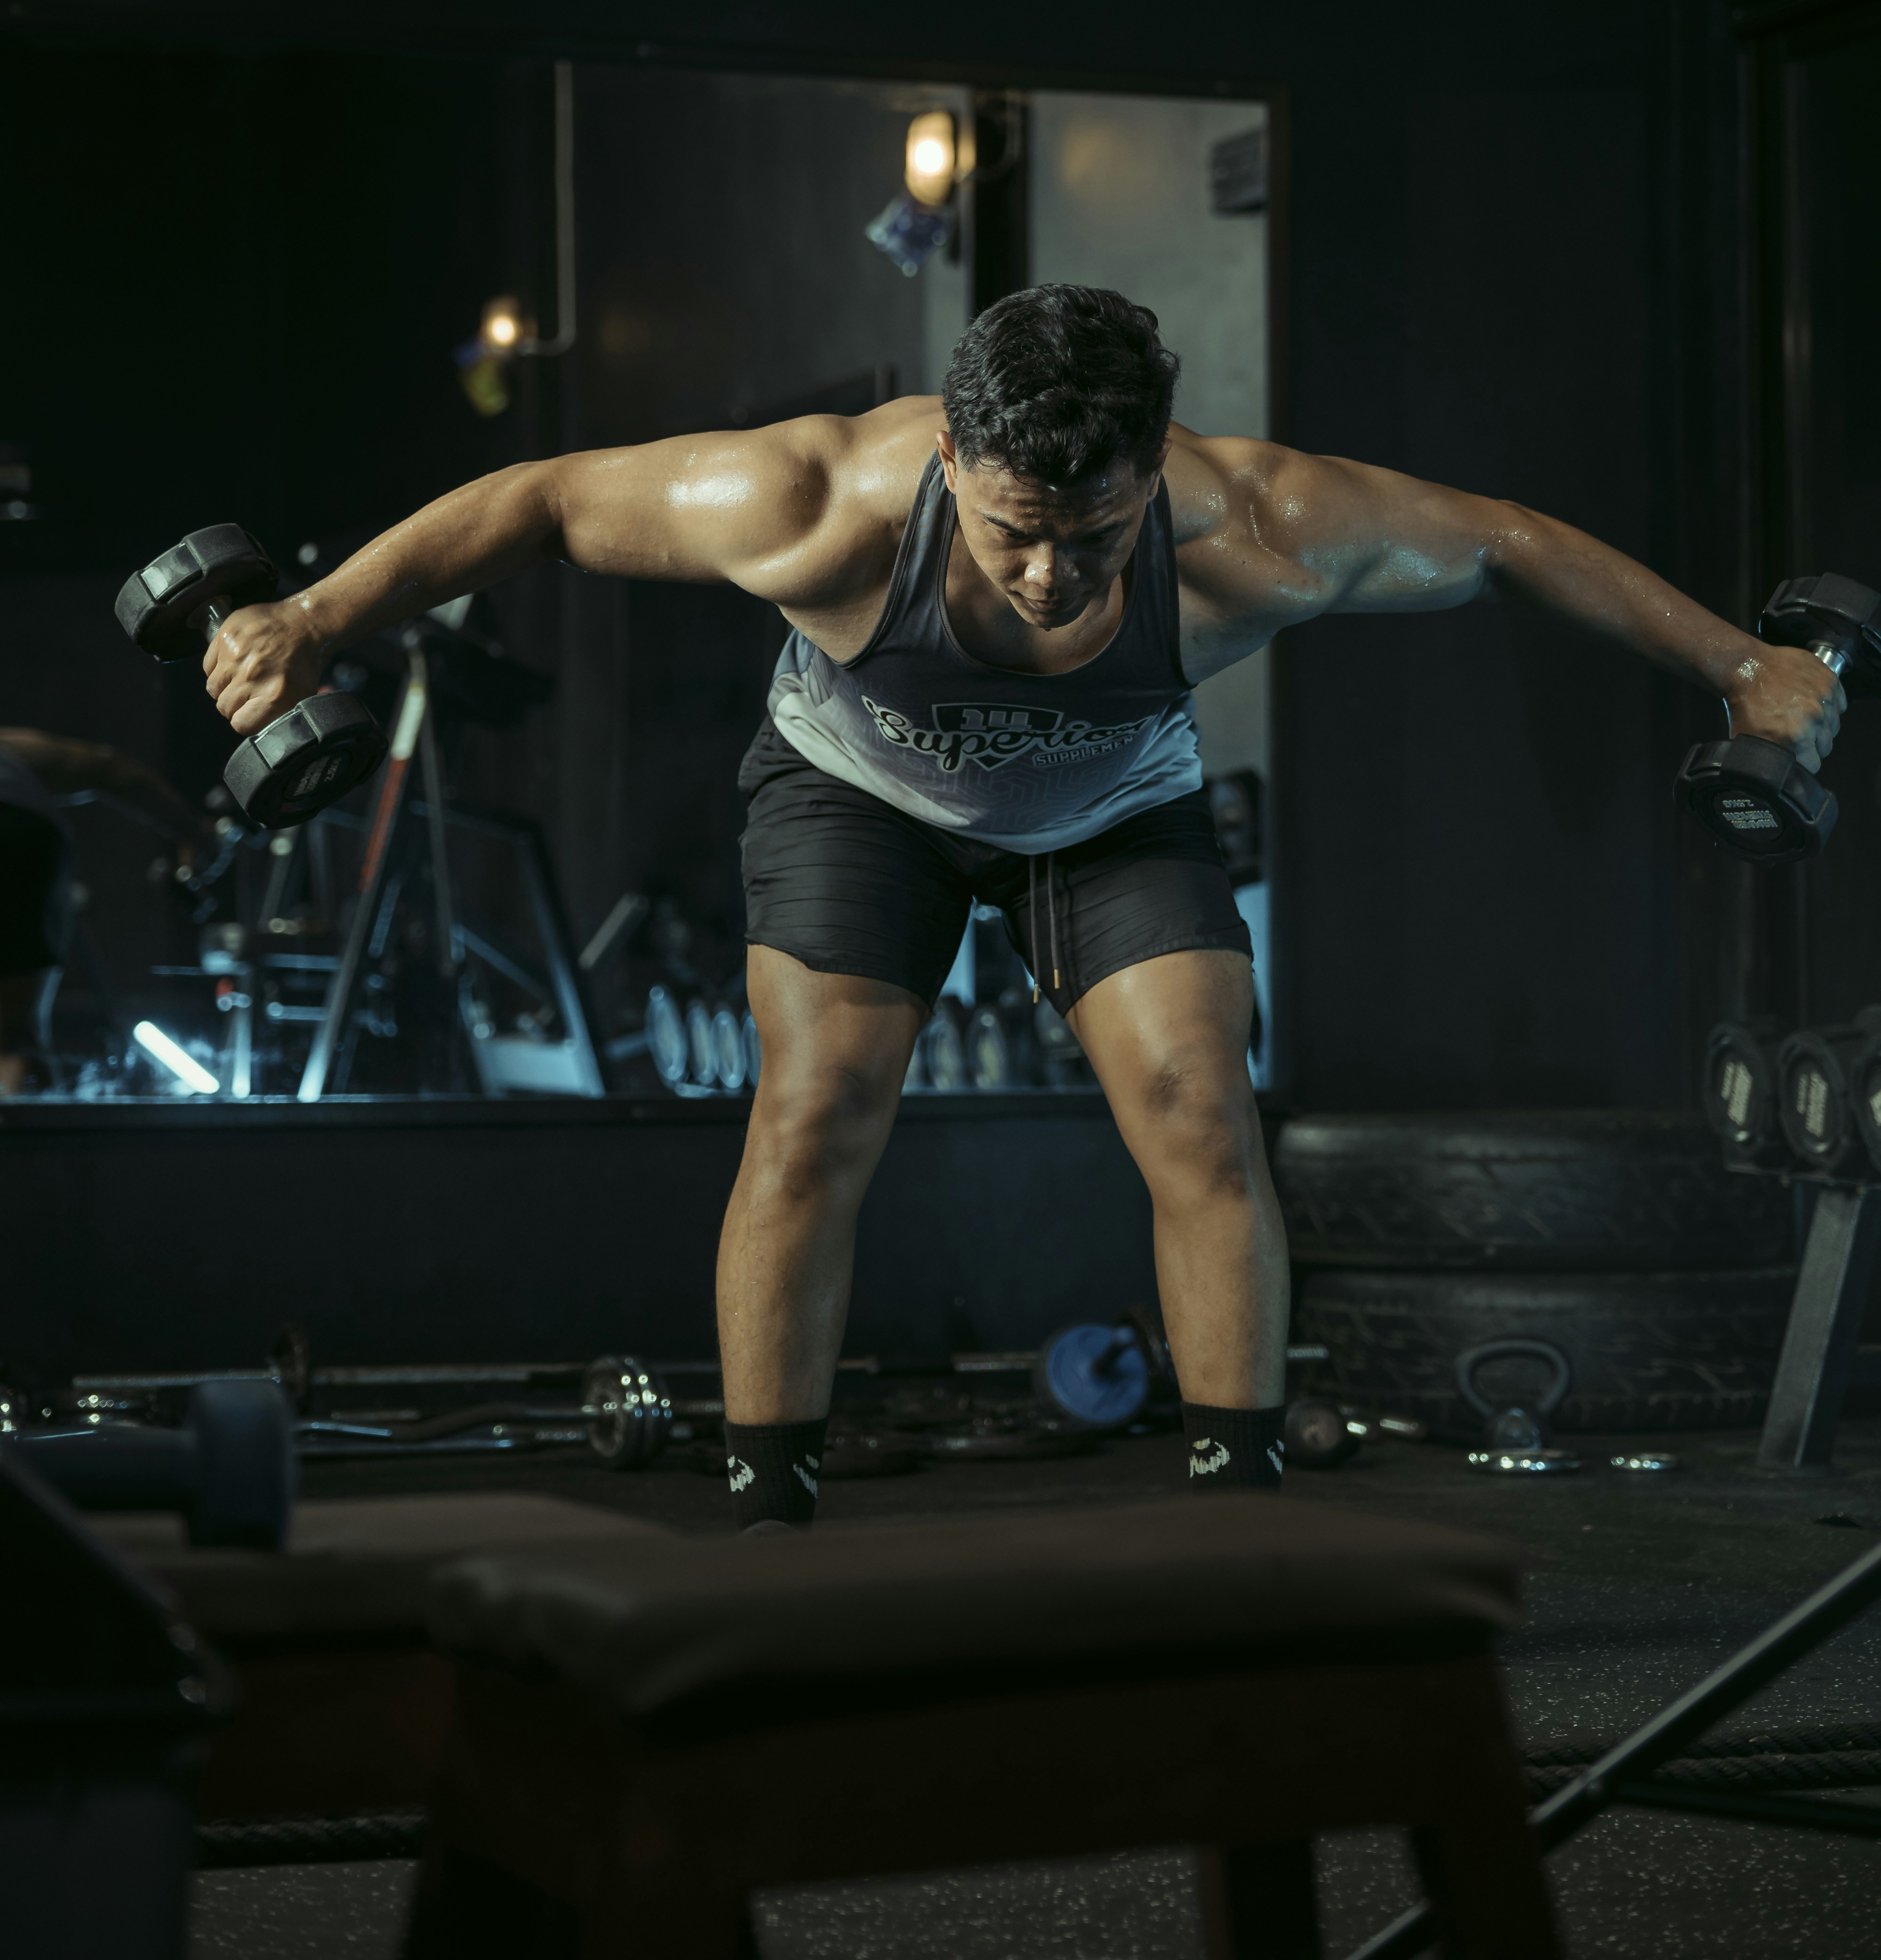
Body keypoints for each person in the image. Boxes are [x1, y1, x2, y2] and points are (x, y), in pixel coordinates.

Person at [195, 285, 1839, 1519]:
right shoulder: (815, 501)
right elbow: (546, 499)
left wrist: (1744, 665)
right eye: (1012, 535)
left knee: (1204, 1106)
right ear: (955, 459)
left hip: (1111, 815)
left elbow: (1503, 540)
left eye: (1095, 535)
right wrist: (322, 618)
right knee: (820, 1104)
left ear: (1150, 484)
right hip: (858, 797)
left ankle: (1237, 1496)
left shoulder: (1262, 529)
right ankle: (770, 1503)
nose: (1052, 576)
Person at [0, 728, 211, 1095]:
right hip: (20, 831)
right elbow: (115, 771)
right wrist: (196, 833)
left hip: (19, 828)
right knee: (11, 1038)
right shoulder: (10, 751)